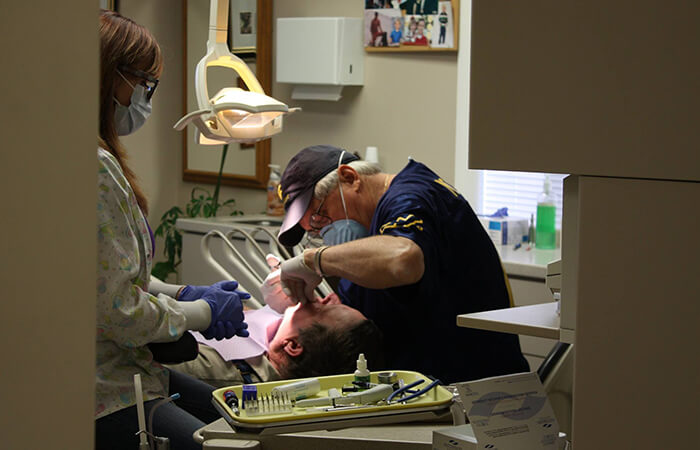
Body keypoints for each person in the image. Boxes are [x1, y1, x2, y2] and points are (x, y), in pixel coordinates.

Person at [96, 10, 250, 450]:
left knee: (233, 410)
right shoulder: (95, 166)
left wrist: (183, 293)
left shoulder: (100, 158)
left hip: (130, 373)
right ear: (112, 76)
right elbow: (119, 310)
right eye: (145, 82)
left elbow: (114, 274)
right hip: (103, 391)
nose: (147, 95)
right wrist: (202, 314)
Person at [276, 145, 530, 385]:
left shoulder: (411, 198)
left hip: (480, 390)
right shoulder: (367, 238)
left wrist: (315, 259)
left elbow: (402, 260)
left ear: (350, 177)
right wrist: (279, 310)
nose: (325, 233)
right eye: (315, 232)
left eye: (321, 218)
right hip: (430, 390)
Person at [168, 293, 385, 388]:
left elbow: (139, 338)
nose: (328, 297)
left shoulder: (221, 373)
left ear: (293, 346)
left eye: (324, 307)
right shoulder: (264, 343)